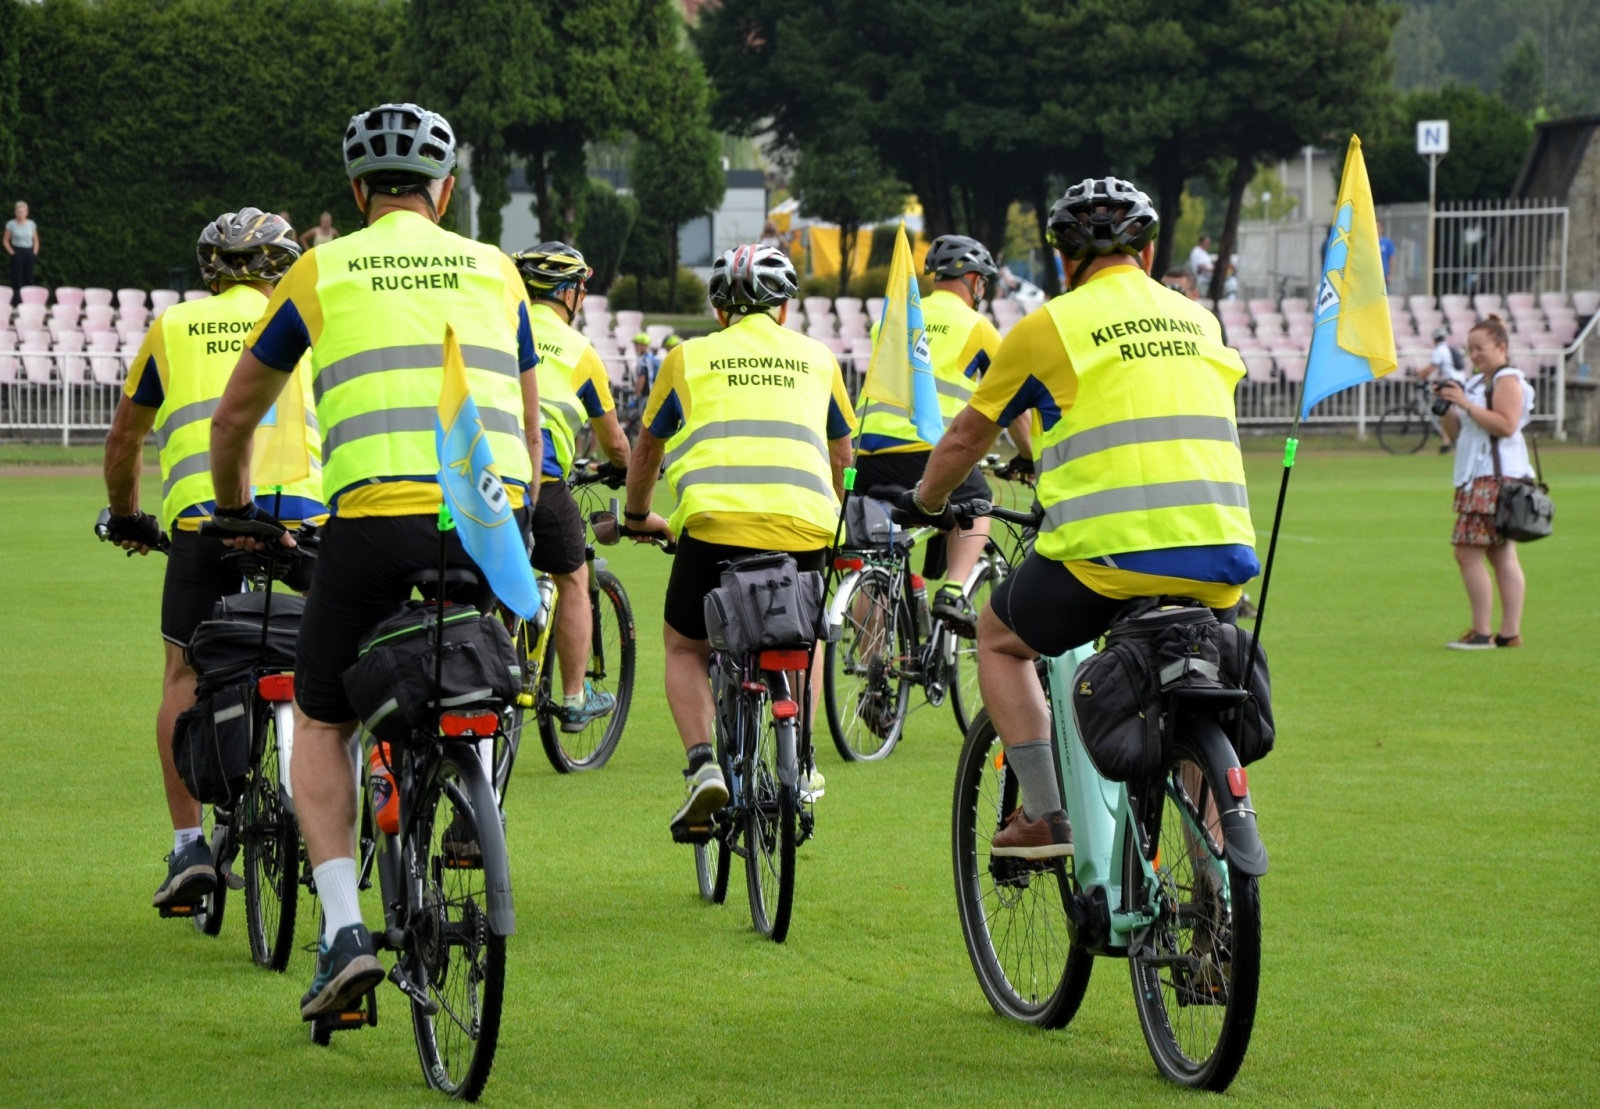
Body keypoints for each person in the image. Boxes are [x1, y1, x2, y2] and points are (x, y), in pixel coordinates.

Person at [205, 103, 542, 1019]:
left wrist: (236, 508)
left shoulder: (323, 267)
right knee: (482, 665)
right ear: (446, 190)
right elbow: (533, 426)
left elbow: (235, 416)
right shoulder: (499, 268)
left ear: (357, 192)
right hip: (484, 515)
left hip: (370, 520)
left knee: (320, 716)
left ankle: (347, 931)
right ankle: (474, 810)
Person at [895, 177, 1257, 858]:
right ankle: (1217, 894)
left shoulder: (1047, 326)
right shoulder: (1199, 319)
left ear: (1065, 262)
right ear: (1147, 255)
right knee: (1194, 694)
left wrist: (927, 501)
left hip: (1104, 560)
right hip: (1221, 558)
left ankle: (1043, 812)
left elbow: (968, 439)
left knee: (999, 638)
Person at [99, 209, 326, 913]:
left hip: (205, 519)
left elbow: (124, 439)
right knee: (330, 663)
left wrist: (130, 514)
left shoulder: (173, 328)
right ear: (279, 266)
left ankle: (186, 845)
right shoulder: (305, 320)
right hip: (301, 516)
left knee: (184, 671)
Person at [623, 244, 856, 836]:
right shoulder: (819, 357)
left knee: (685, 650)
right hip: (805, 527)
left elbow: (648, 447)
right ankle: (798, 759)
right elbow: (841, 456)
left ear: (721, 310)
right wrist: (838, 525)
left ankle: (703, 766)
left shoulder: (687, 357)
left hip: (714, 527)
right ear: (784, 308)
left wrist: (636, 515)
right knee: (801, 639)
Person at [856, 234, 1033, 625]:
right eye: (983, 281)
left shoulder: (895, 317)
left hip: (867, 453)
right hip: (927, 451)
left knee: (875, 560)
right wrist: (1029, 455)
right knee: (977, 504)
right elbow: (1014, 407)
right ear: (972, 279)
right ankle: (954, 589)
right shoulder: (978, 327)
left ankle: (872, 672)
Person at [512, 241, 632, 728]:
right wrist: (621, 469)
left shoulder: (501, 330)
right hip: (542, 480)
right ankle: (575, 698)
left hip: (480, 476)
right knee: (574, 579)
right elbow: (616, 444)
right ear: (567, 293)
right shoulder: (580, 352)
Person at [1436, 315, 1533, 650]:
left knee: (1467, 553)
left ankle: (1481, 633)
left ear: (1501, 347)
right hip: (1480, 477)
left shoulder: (1507, 379)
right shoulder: (1478, 383)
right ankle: (1508, 634)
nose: (1474, 355)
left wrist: (1465, 403)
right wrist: (1449, 406)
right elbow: (1457, 434)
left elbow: (1506, 425)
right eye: (1470, 349)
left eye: (1481, 348)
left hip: (1493, 480)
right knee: (1500, 553)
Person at [5, 201, 38, 306]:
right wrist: (12, 252)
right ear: (15, 212)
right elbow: (5, 241)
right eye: (18, 212)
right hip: (17, 251)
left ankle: (28, 302)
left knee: (29, 277)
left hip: (29, 251)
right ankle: (16, 302)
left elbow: (36, 240)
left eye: (22, 212)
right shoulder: (11, 224)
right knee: (16, 278)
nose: (20, 214)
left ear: (26, 212)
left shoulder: (31, 224)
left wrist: (34, 253)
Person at [631, 331, 658, 399]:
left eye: (637, 344)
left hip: (647, 396)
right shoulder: (650, 357)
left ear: (643, 345)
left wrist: (635, 395)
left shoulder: (645, 360)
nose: (635, 347)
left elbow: (642, 378)